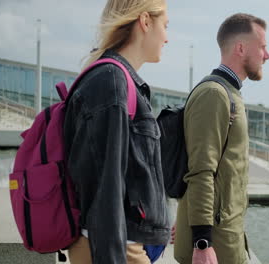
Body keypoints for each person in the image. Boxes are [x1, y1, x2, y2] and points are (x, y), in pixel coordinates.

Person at [63, 0, 170, 263]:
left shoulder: (117, 79)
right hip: (115, 248)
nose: (168, 38)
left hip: (121, 244)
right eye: (165, 26)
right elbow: (105, 184)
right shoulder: (111, 81)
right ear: (145, 22)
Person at [173, 13, 269, 264]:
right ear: (241, 48)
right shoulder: (214, 95)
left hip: (227, 240)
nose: (266, 55)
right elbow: (201, 170)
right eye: (262, 47)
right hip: (214, 249)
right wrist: (201, 241)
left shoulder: (229, 93)